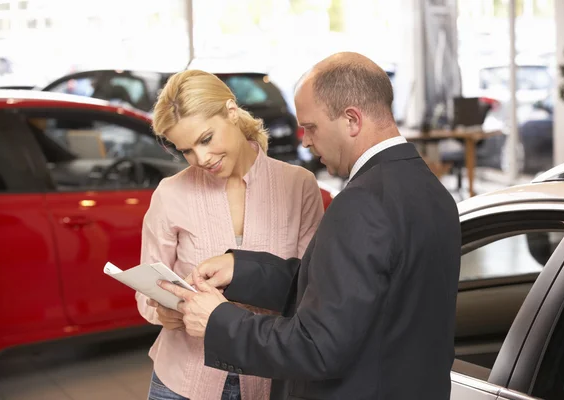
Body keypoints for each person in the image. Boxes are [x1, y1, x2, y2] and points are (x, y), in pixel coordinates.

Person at [159, 53, 462, 399]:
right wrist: (243, 269)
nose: (304, 140)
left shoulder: (362, 203)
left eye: (312, 127)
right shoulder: (431, 191)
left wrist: (219, 321)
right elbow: (344, 293)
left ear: (351, 120)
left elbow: (316, 347)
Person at [137, 69, 324, 400]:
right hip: (181, 382)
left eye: (206, 139)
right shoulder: (170, 193)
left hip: (269, 381)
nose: (201, 158)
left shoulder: (299, 186)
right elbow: (146, 292)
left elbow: (310, 288)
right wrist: (163, 312)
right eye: (186, 150)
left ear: (231, 112)